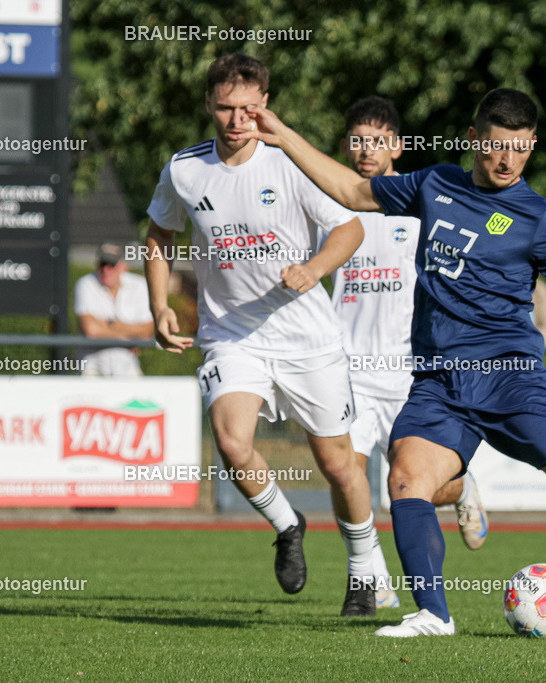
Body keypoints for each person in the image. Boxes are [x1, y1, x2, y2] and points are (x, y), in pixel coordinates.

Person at [242, 87, 546, 637]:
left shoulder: (541, 218)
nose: (508, 160)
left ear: (532, 146)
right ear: (474, 139)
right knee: (405, 481)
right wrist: (283, 136)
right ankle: (433, 614)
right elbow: (353, 190)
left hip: (512, 381)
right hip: (438, 384)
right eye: (498, 147)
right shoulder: (435, 184)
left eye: (521, 149)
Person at [143, 53, 381, 616]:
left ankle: (364, 570)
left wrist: (314, 269)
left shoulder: (290, 164)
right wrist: (159, 306)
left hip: (307, 340)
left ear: (265, 105)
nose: (235, 119)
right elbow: (159, 234)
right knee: (231, 442)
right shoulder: (185, 169)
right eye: (224, 108)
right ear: (208, 105)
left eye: (248, 108)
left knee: (338, 465)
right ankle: (287, 523)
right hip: (233, 336)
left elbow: (350, 227)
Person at [325, 97, 490, 608]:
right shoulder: (332, 203)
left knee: (411, 488)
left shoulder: (421, 205)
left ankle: (461, 491)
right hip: (347, 372)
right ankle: (374, 582)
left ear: (397, 146)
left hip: (407, 376)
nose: (365, 151)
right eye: (356, 140)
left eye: (376, 141)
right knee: (342, 475)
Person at [74, 243, 154, 377]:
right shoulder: (85, 284)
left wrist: (108, 325)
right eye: (102, 264)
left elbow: (146, 332)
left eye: (112, 264)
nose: (106, 269)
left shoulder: (139, 285)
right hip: (92, 368)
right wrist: (129, 339)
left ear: (123, 266)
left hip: (127, 368)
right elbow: (91, 330)